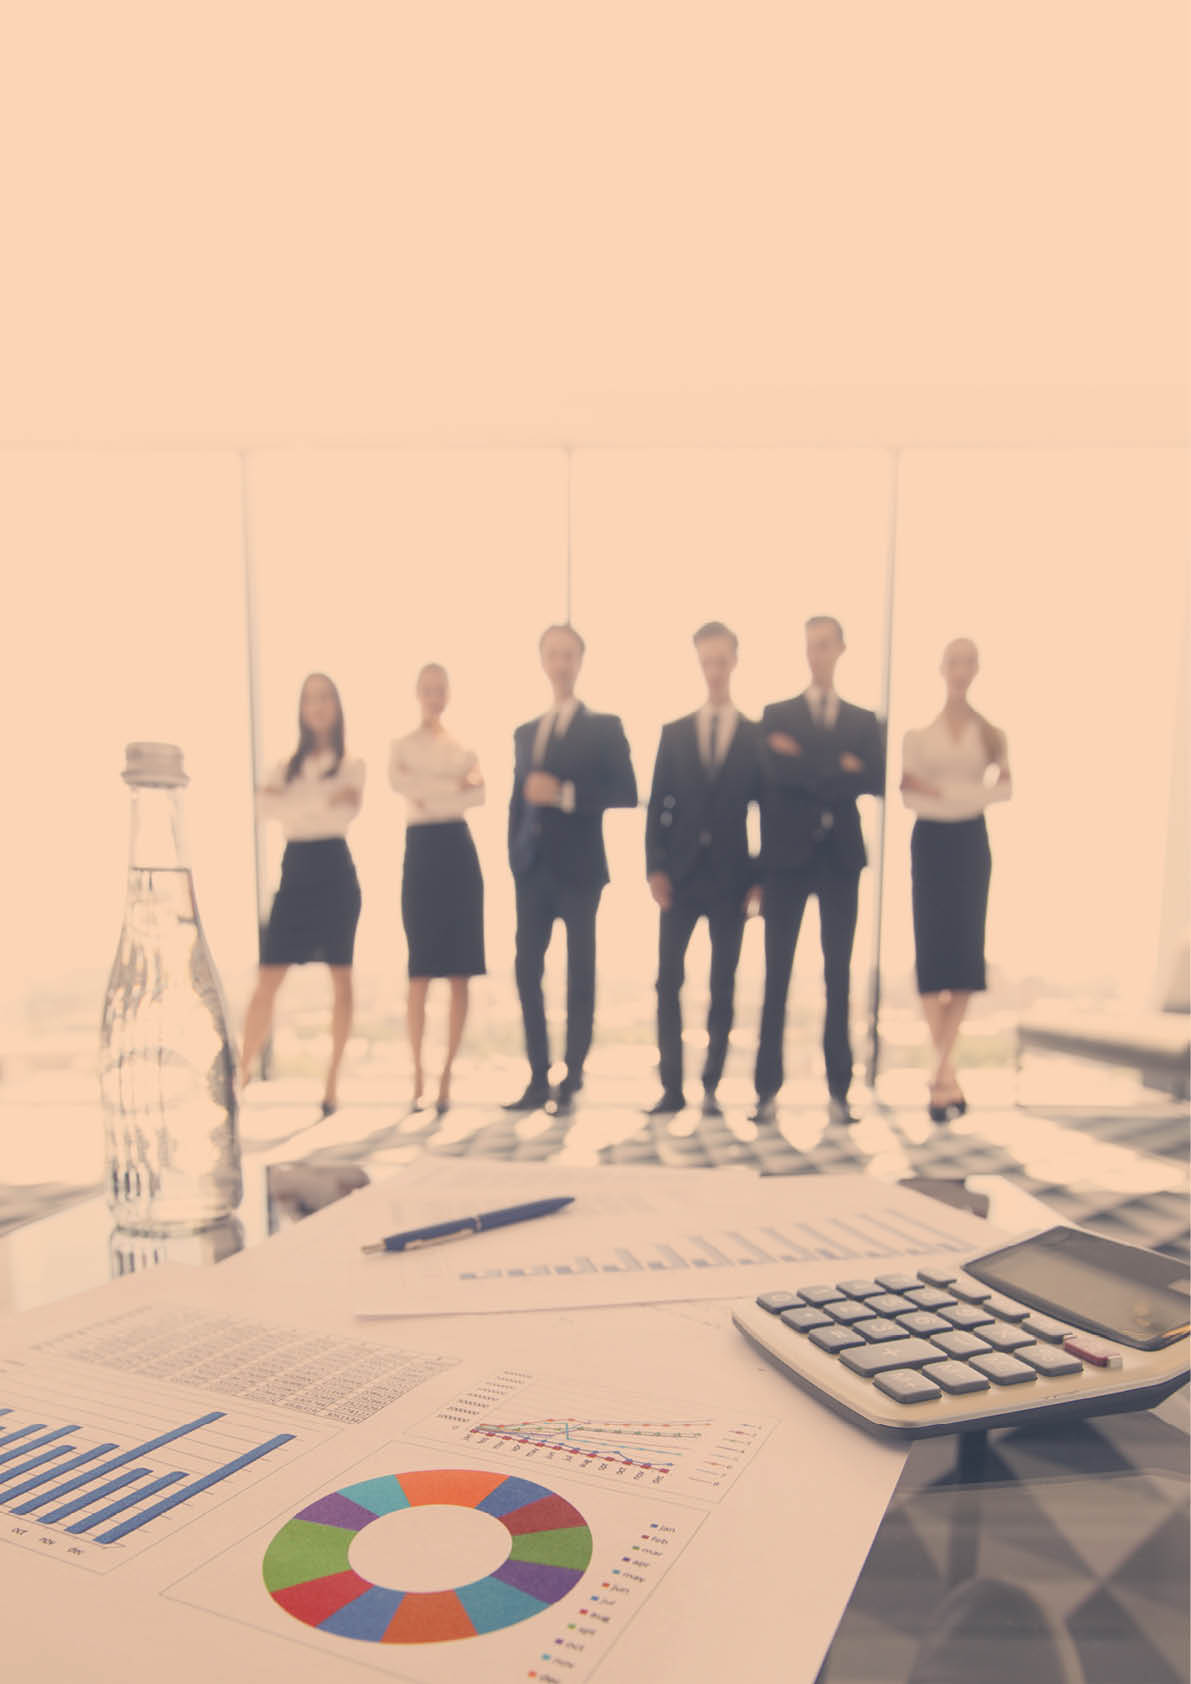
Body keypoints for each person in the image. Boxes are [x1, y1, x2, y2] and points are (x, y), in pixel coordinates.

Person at [752, 616, 885, 1125]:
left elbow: (874, 778)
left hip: (840, 861)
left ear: (840, 649)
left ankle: (840, 1091)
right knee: (776, 976)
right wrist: (840, 766)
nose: (816, 654)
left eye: (825, 645)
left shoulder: (863, 720)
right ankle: (766, 1091)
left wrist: (804, 759)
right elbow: (772, 776)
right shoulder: (776, 714)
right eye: (810, 646)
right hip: (785, 862)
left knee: (838, 977)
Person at [506, 624, 638, 1113]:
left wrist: (564, 795)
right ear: (543, 661)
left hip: (580, 870)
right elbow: (518, 801)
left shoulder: (604, 727)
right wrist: (515, 858)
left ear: (580, 661)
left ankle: (573, 1076)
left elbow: (626, 791)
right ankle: (538, 1077)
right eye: (553, 654)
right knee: (526, 971)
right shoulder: (526, 733)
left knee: (579, 974)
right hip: (532, 870)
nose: (560, 663)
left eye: (568, 655)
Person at [644, 621, 763, 1116]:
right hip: (679, 875)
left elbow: (765, 812)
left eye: (721, 660)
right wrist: (655, 868)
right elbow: (658, 806)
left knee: (723, 983)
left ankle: (711, 1084)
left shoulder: (755, 735)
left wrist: (759, 878)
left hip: (733, 878)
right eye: (706, 660)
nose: (714, 669)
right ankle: (671, 1087)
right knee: (667, 980)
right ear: (699, 662)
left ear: (734, 661)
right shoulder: (674, 733)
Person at [240, 672, 364, 1117]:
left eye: (325, 697)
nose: (318, 706)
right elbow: (263, 808)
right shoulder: (282, 766)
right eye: (310, 698)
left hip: (336, 874)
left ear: (336, 706)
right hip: (294, 875)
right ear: (301, 708)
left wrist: (293, 802)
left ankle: (331, 1087)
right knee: (267, 979)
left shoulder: (352, 764)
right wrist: (320, 799)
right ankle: (240, 1074)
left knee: (341, 980)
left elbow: (344, 810)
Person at [901, 636, 1011, 1120]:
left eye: (969, 662)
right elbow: (909, 795)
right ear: (942, 668)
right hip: (929, 845)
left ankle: (940, 1074)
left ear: (977, 669)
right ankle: (945, 1075)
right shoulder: (917, 737)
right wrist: (964, 793)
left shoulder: (992, 735)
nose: (960, 670)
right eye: (954, 662)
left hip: (970, 845)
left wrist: (940, 791)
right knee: (931, 958)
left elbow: (1004, 791)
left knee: (965, 959)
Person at [388, 662, 486, 1114]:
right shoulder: (400, 746)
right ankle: (417, 1077)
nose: (433, 696)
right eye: (426, 688)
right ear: (417, 692)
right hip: (421, 853)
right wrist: (452, 785)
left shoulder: (464, 745)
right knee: (420, 970)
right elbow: (401, 784)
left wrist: (430, 788)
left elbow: (478, 794)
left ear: (448, 693)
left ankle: (446, 1077)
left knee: (460, 970)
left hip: (458, 852)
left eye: (439, 689)